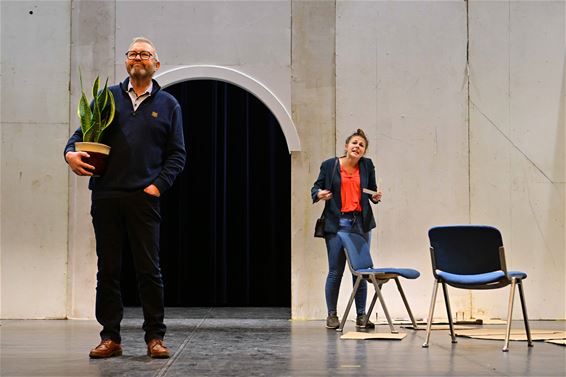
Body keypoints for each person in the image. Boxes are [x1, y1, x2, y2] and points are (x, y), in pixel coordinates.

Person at [64, 37, 186, 358]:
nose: (138, 58)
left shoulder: (168, 104)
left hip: (144, 199)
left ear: (156, 64)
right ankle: (110, 338)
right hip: (106, 196)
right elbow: (79, 137)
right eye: (132, 54)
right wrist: (69, 155)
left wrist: (156, 187)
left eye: (145, 54)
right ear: (126, 62)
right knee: (108, 270)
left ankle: (154, 338)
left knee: (149, 270)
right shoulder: (107, 98)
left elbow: (177, 155)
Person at [311, 129, 383, 329]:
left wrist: (375, 197)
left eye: (361, 145)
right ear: (346, 146)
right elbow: (315, 188)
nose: (357, 147)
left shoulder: (367, 165)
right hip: (337, 224)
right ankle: (332, 315)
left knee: (360, 271)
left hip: (360, 224)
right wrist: (319, 194)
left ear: (364, 151)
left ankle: (361, 315)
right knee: (335, 271)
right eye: (354, 143)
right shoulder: (329, 165)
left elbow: (372, 191)